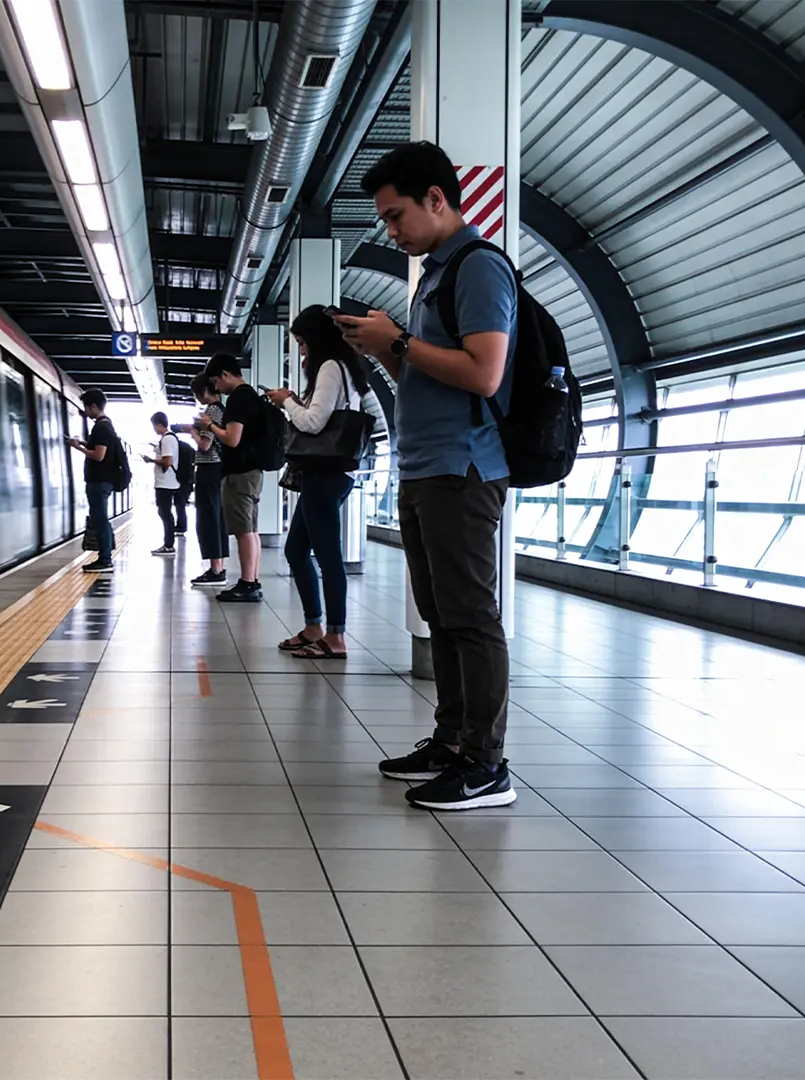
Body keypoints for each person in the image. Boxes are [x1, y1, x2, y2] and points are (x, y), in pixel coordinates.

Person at [337, 140, 519, 812]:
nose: (391, 230)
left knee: (470, 616)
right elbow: (422, 377)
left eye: (395, 215)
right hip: (424, 467)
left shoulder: (478, 269)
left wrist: (402, 342)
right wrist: (390, 351)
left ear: (436, 200)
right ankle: (450, 742)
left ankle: (487, 764)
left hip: (462, 468)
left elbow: (484, 373)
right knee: (441, 615)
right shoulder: (433, 278)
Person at [266, 305, 371, 661]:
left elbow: (312, 423)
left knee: (328, 558)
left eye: (302, 342)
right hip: (326, 474)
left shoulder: (330, 367)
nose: (301, 350)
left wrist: (287, 402)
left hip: (326, 474)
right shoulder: (344, 368)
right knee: (296, 550)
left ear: (315, 338)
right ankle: (314, 626)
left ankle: (336, 636)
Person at [199, 353, 264, 602]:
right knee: (252, 529)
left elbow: (232, 438)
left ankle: (247, 583)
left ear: (226, 374)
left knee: (243, 530)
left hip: (239, 472)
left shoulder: (238, 398)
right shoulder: (251, 396)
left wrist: (209, 426)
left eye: (216, 381)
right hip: (251, 471)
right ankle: (252, 580)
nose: (216, 388)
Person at [176, 375, 228, 586]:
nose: (198, 398)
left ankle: (216, 570)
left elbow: (204, 445)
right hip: (218, 470)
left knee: (208, 518)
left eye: (197, 393)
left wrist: (192, 431)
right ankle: (219, 567)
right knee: (217, 517)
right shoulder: (221, 409)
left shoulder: (212, 411)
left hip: (209, 468)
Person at [67, 388, 117, 573]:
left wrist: (76, 448)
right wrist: (82, 443)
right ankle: (105, 557)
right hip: (101, 481)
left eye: (86, 407)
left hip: (99, 481)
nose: (85, 411)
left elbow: (99, 455)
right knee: (100, 518)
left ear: (93, 406)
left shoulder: (101, 426)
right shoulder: (106, 425)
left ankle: (105, 560)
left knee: (100, 519)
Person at [144, 412, 179, 556]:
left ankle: (169, 545)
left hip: (166, 483)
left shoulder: (166, 439)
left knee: (165, 513)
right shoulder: (170, 438)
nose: (154, 429)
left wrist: (151, 460)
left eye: (154, 426)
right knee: (165, 512)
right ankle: (168, 544)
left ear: (159, 424)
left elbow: (168, 461)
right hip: (168, 482)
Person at [172, 437, 195, 537]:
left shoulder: (178, 447)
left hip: (183, 480)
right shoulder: (187, 447)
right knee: (180, 504)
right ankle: (181, 526)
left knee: (179, 503)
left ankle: (181, 526)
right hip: (188, 479)